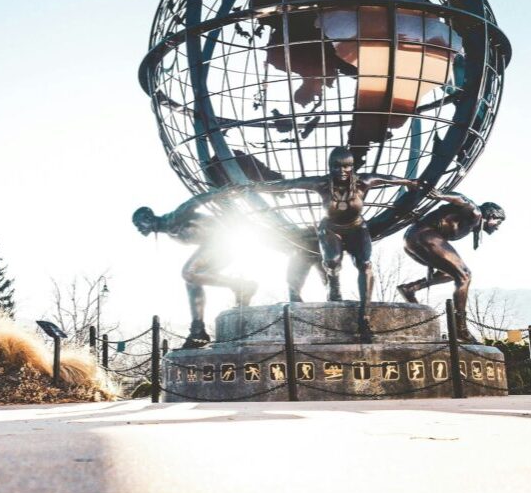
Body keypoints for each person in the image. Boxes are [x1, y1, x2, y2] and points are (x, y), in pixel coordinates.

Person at [240, 146, 425, 341]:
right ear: (330, 167)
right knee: (332, 262)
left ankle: (364, 317)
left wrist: (410, 183)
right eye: (336, 167)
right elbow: (289, 184)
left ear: (352, 167)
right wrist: (254, 187)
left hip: (356, 228)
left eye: (347, 167)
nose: (342, 171)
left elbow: (387, 178)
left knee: (365, 264)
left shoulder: (363, 181)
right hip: (330, 228)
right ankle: (333, 284)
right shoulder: (321, 183)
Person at [132, 196, 323, 348]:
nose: (139, 229)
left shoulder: (174, 217)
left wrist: (224, 193)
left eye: (140, 224)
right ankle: (198, 331)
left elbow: (199, 199)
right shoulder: (168, 230)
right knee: (192, 281)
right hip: (218, 247)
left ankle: (243, 286)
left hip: (222, 241)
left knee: (188, 272)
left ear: (148, 218)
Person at [396, 192, 506, 342]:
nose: (498, 228)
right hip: (423, 236)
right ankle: (460, 331)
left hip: (412, 240)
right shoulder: (476, 213)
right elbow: (464, 200)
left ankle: (411, 288)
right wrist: (441, 195)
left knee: (450, 274)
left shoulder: (472, 221)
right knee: (465, 276)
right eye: (498, 223)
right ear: (492, 216)